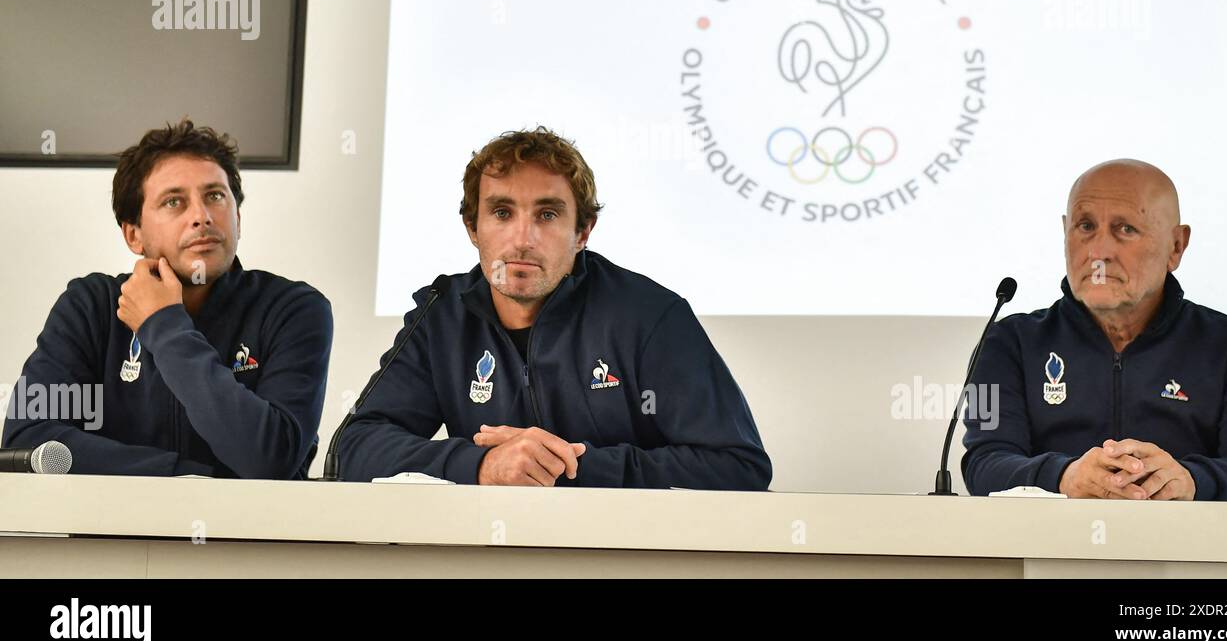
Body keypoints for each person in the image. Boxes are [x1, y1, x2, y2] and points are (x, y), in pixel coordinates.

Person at [340, 126, 771, 488]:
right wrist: (484, 466)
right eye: (502, 212)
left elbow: (738, 465)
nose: (523, 239)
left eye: (547, 215)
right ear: (473, 228)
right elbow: (353, 451)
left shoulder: (651, 316)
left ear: (583, 231)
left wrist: (558, 468)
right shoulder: (442, 317)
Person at [2, 119, 333, 478]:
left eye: (215, 196)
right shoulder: (90, 307)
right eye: (174, 201)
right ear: (134, 234)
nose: (201, 217)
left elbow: (268, 459)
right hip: (108, 531)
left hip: (250, 533)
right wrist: (180, 478)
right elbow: (30, 441)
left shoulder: (292, 309)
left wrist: (163, 326)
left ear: (237, 216)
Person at [962, 159, 1227, 501]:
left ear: (1176, 246)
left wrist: (1190, 480)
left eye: (1125, 229)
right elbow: (984, 464)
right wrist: (1065, 476)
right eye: (1085, 226)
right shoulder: (1006, 343)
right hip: (1046, 549)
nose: (1098, 252)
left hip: (1186, 550)